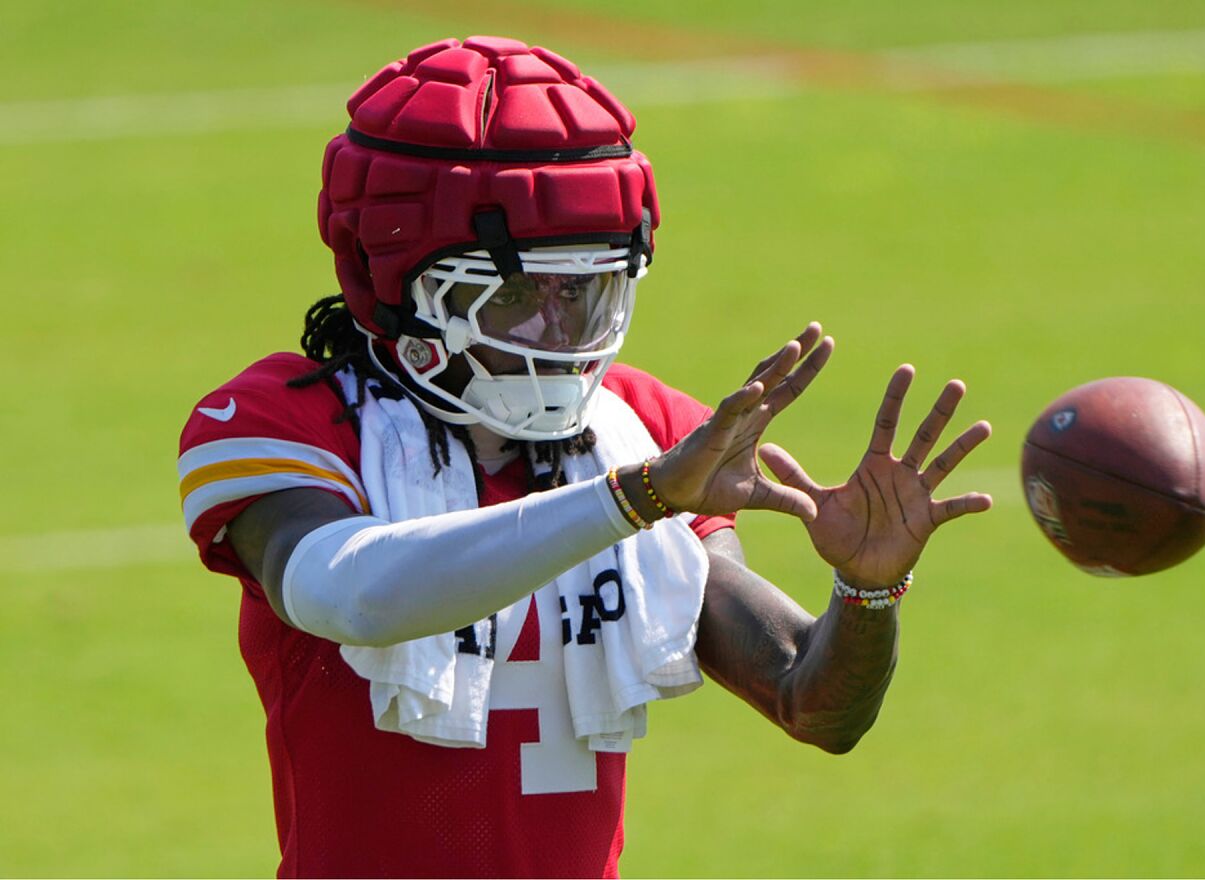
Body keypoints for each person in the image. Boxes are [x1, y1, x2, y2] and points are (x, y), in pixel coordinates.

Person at [177, 36, 993, 879]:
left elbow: (812, 703)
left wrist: (868, 590)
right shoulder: (290, 417)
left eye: (584, 291)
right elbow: (348, 595)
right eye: (521, 294)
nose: (560, 332)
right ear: (400, 282)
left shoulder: (640, 426)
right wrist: (632, 498)